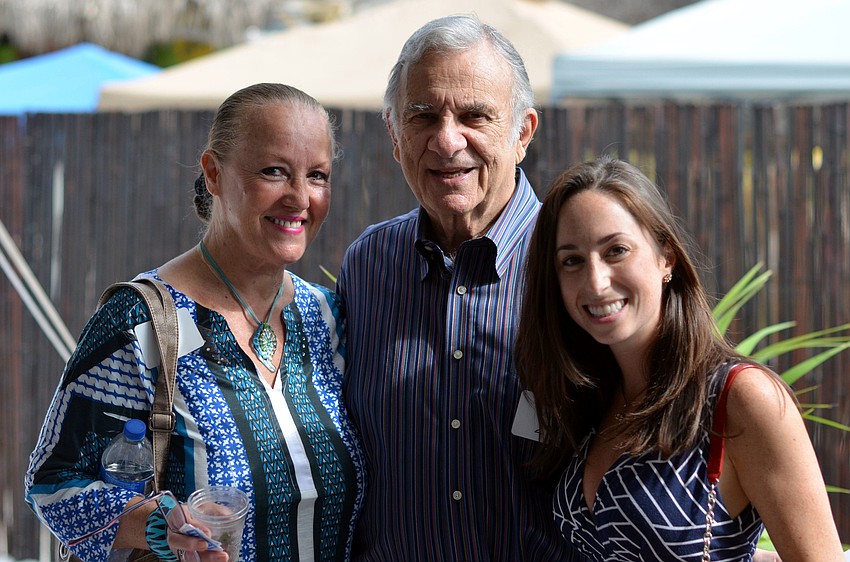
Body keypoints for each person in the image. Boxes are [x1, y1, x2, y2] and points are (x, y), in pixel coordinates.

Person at [25, 83, 365, 562]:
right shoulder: (141, 321)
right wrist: (159, 526)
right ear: (213, 173)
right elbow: (52, 483)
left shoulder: (327, 317)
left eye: (317, 176)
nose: (299, 197)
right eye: (274, 171)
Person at [514, 156, 844, 561]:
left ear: (666, 257)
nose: (596, 282)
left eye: (616, 250)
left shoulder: (741, 397)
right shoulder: (585, 396)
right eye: (572, 261)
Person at [337, 15, 574, 560]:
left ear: (522, 133)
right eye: (423, 115)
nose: (447, 140)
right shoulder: (368, 265)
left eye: (474, 116)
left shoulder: (574, 263)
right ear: (395, 135)